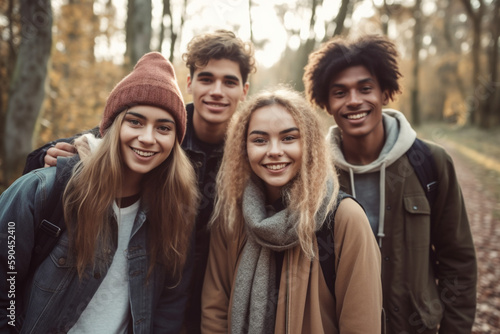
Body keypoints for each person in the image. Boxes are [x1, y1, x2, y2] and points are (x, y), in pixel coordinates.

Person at [22, 29, 255, 333]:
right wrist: (47, 158)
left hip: (212, 299)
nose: (216, 91)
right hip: (146, 291)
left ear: (244, 90)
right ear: (190, 83)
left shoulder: (253, 149)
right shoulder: (160, 123)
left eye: (229, 82)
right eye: (207, 78)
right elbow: (100, 141)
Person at [0, 52, 199, 333]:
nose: (147, 137)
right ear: (112, 127)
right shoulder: (42, 190)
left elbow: (171, 302)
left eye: (163, 128)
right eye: (135, 122)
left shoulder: (176, 211)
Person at [303, 35, 477, 334]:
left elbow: (458, 262)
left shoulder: (431, 163)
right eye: (340, 92)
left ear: (385, 93)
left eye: (365, 88)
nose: (354, 100)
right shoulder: (313, 174)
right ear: (327, 102)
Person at [201, 87, 383, 333]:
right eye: (259, 140)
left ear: (309, 144)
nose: (274, 151)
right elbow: (215, 311)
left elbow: (361, 324)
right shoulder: (232, 217)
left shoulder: (345, 218)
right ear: (243, 148)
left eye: (288, 138)